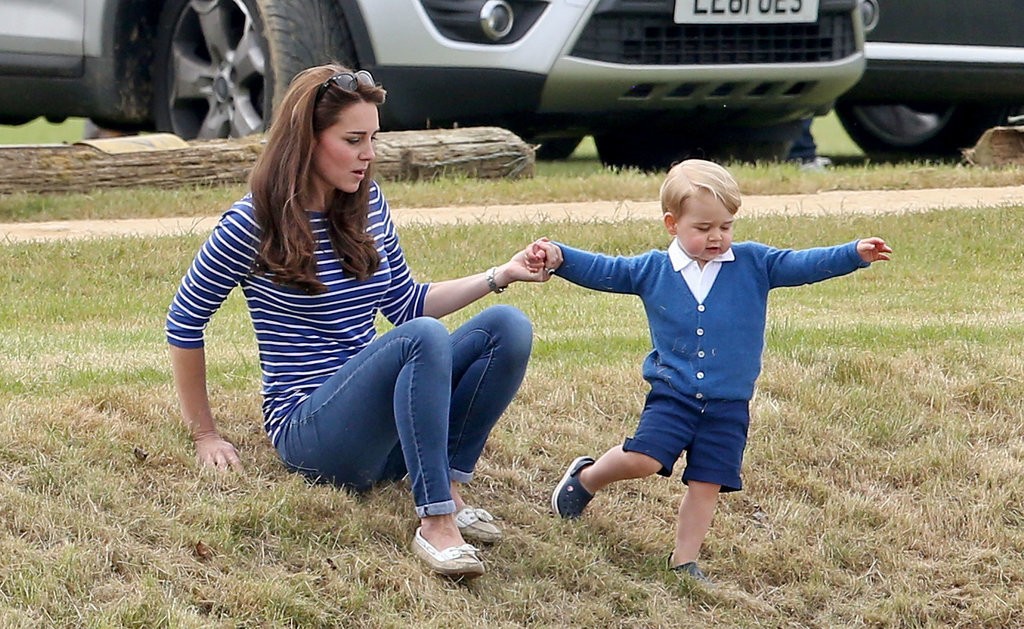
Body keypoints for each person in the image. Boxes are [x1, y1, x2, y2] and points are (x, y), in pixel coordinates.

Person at [165, 63, 557, 580]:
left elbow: (408, 304)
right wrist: (205, 435)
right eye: (353, 140)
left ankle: (450, 485)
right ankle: (436, 522)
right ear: (307, 140)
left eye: (373, 138)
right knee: (422, 340)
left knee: (507, 326)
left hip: (383, 435)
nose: (368, 154)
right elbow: (184, 321)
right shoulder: (251, 222)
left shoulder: (368, 203)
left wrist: (500, 274)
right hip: (311, 433)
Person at [537, 159, 891, 583]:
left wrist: (853, 254)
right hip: (674, 393)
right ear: (672, 224)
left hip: (729, 404)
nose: (716, 237)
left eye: (725, 226)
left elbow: (803, 264)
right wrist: (560, 257)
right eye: (703, 228)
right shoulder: (651, 270)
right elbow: (605, 270)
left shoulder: (754, 263)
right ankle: (588, 476)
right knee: (644, 460)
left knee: (706, 484)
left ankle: (684, 561)